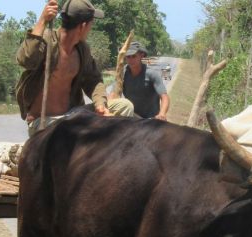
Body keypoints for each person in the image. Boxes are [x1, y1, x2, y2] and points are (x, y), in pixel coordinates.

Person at [16, 0, 133, 136]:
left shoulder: (82, 49)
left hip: (72, 116)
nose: (90, 28)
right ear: (83, 26)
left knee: (124, 106)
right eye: (91, 24)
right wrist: (43, 20)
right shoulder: (47, 40)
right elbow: (26, 60)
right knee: (72, 128)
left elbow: (93, 80)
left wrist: (101, 105)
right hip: (44, 122)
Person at [119, 41, 170, 120]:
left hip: (150, 120)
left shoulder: (152, 74)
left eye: (133, 56)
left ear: (141, 56)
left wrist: (162, 114)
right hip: (130, 118)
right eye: (128, 56)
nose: (131, 59)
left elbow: (164, 97)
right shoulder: (122, 74)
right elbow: (113, 94)